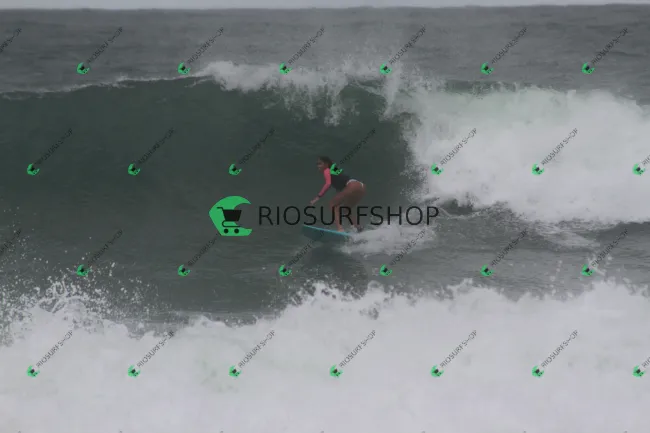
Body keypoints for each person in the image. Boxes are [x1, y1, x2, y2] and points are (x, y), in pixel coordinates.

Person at [310, 156, 366, 232]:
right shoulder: (334, 169)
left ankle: (340, 229)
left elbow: (328, 184)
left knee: (332, 204)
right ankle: (358, 228)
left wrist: (318, 197)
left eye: (320, 164)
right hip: (361, 186)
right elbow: (340, 180)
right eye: (317, 164)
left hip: (352, 185)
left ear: (326, 164)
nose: (318, 166)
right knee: (346, 209)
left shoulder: (326, 170)